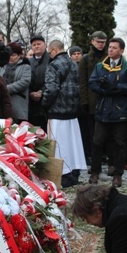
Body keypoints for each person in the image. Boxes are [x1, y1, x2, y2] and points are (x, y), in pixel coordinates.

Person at [88, 38, 127, 188]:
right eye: (109, 47)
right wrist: (105, 89)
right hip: (103, 109)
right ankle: (95, 172)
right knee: (97, 142)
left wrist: (114, 87)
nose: (110, 50)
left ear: (121, 51)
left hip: (120, 111)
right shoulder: (100, 66)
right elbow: (92, 83)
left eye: (114, 48)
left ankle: (118, 174)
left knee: (120, 143)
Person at [41, 40, 86, 188]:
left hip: (57, 111)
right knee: (74, 144)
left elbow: (51, 89)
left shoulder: (53, 66)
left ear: (54, 50)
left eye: (49, 52)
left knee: (59, 145)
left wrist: (44, 103)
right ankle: (75, 172)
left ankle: (63, 174)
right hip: (73, 111)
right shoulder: (74, 64)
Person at [79, 31, 109, 164]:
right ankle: (93, 157)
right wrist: (84, 101)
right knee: (93, 133)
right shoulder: (86, 59)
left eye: (103, 42)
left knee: (108, 132)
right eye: (98, 42)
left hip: (108, 99)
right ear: (92, 41)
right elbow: (82, 82)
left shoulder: (110, 57)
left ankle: (106, 156)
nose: (101, 45)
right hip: (91, 101)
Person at [0, 42, 31, 124]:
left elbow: (24, 82)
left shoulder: (25, 67)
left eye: (13, 55)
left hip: (18, 105)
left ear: (19, 55)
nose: (10, 58)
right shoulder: (2, 67)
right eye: (9, 55)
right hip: (2, 105)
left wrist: (5, 89)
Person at [27, 34, 50, 131]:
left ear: (45, 45)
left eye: (39, 44)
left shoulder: (51, 60)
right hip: (31, 105)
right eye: (34, 45)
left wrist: (41, 92)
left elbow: (52, 80)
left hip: (47, 104)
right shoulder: (28, 62)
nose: (36, 46)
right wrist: (30, 93)